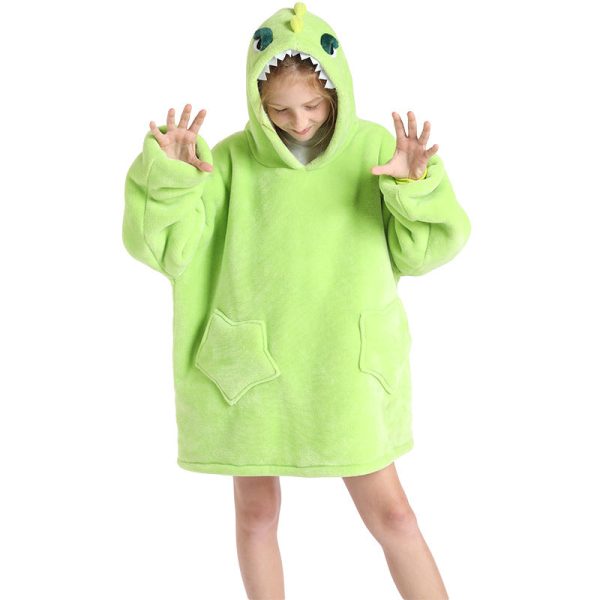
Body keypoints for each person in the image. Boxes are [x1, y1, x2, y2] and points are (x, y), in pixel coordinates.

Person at [122, 4, 470, 598]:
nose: (299, 122)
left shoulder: (374, 148)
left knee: (395, 517)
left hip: (344, 364)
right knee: (256, 514)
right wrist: (173, 180)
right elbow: (166, 250)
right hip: (255, 369)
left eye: (312, 105)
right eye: (279, 110)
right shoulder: (230, 160)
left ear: (336, 90)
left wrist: (414, 187)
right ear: (257, 100)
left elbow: (421, 254)